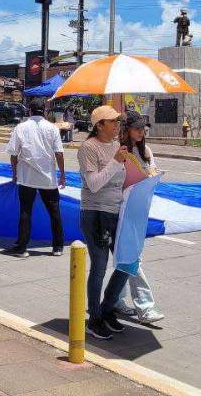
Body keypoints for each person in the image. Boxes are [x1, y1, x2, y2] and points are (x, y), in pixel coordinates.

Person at [77, 105, 130, 341]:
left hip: (117, 211)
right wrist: (116, 163)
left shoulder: (118, 147)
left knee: (127, 262)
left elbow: (121, 181)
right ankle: (94, 318)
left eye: (118, 121)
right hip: (96, 212)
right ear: (100, 125)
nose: (117, 125)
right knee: (99, 266)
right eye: (112, 122)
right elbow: (94, 184)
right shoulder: (88, 147)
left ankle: (108, 308)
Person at [114, 110, 165, 324]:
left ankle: (115, 299)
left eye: (143, 129)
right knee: (132, 257)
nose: (141, 132)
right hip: (120, 210)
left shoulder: (146, 151)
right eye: (137, 128)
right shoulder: (118, 151)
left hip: (139, 210)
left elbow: (152, 174)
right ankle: (145, 307)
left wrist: (153, 175)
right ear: (126, 129)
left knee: (125, 257)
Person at [5, 97, 65, 258]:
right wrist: (63, 175)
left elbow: (13, 154)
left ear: (29, 111)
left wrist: (15, 173)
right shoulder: (52, 128)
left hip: (27, 177)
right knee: (54, 212)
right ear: (44, 111)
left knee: (26, 211)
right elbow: (59, 153)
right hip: (48, 178)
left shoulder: (21, 127)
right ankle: (58, 247)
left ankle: (22, 248)